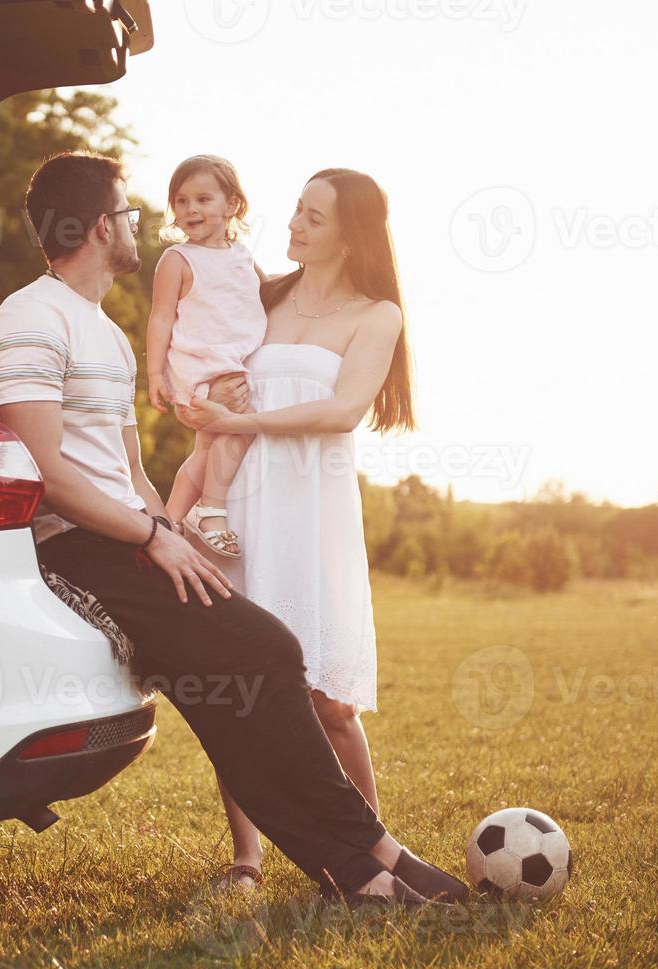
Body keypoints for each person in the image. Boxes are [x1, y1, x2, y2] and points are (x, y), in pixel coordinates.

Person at [0, 150, 465, 905]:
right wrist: (151, 538)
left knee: (236, 692)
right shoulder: (32, 319)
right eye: (132, 214)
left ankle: (360, 869)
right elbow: (46, 479)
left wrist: (164, 525)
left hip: (127, 534)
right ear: (103, 228)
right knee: (267, 651)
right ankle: (370, 854)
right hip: (74, 546)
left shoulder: (97, 330)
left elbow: (127, 467)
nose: (148, 224)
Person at [180, 168, 415, 893]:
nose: (293, 224)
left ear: (350, 234)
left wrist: (241, 419)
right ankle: (245, 859)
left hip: (311, 516)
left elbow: (343, 410)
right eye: (295, 210)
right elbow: (210, 375)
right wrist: (193, 461)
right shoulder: (262, 295)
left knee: (327, 700)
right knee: (239, 690)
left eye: (312, 217)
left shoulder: (377, 315)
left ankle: (369, 847)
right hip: (239, 505)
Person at [145, 155, 267, 559]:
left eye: (203, 199)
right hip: (202, 367)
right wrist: (156, 375)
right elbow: (161, 319)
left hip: (230, 364)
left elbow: (270, 291)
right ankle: (211, 510)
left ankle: (169, 522)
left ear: (232, 205)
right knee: (239, 429)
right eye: (181, 201)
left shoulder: (242, 255)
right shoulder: (178, 259)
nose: (190, 209)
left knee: (206, 449)